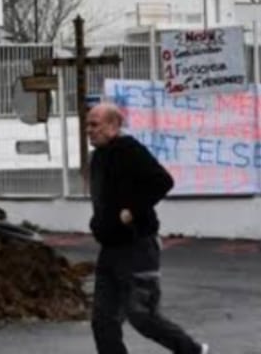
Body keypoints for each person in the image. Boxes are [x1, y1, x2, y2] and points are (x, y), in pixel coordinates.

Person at [85, 102, 208, 354]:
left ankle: (192, 350)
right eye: (87, 124)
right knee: (103, 320)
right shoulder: (98, 157)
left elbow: (162, 181)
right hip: (109, 249)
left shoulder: (129, 150)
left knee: (142, 316)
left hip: (138, 247)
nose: (89, 130)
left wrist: (133, 210)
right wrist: (98, 223)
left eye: (94, 124)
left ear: (113, 126)